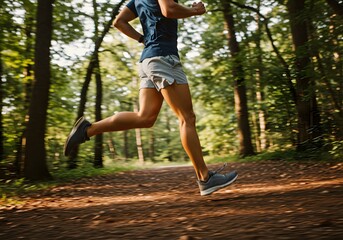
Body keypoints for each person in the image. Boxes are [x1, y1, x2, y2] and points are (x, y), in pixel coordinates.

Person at [64, 0, 237, 196]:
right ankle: (205, 178)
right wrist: (194, 11)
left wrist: (142, 39)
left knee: (145, 117)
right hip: (164, 59)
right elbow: (168, 9)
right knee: (187, 119)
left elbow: (119, 22)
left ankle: (87, 130)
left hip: (149, 59)